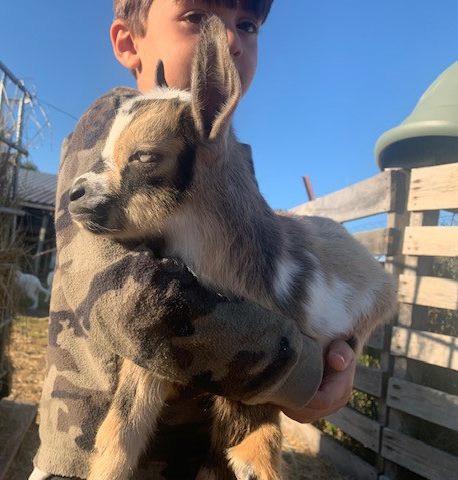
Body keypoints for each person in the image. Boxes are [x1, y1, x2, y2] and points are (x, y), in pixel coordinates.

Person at [30, 1, 356, 479]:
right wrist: (299, 369)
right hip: (92, 462)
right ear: (128, 42)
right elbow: (132, 304)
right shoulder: (116, 122)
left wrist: (336, 360)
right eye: (198, 18)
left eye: (247, 24)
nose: (228, 40)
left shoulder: (228, 166)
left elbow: (261, 302)